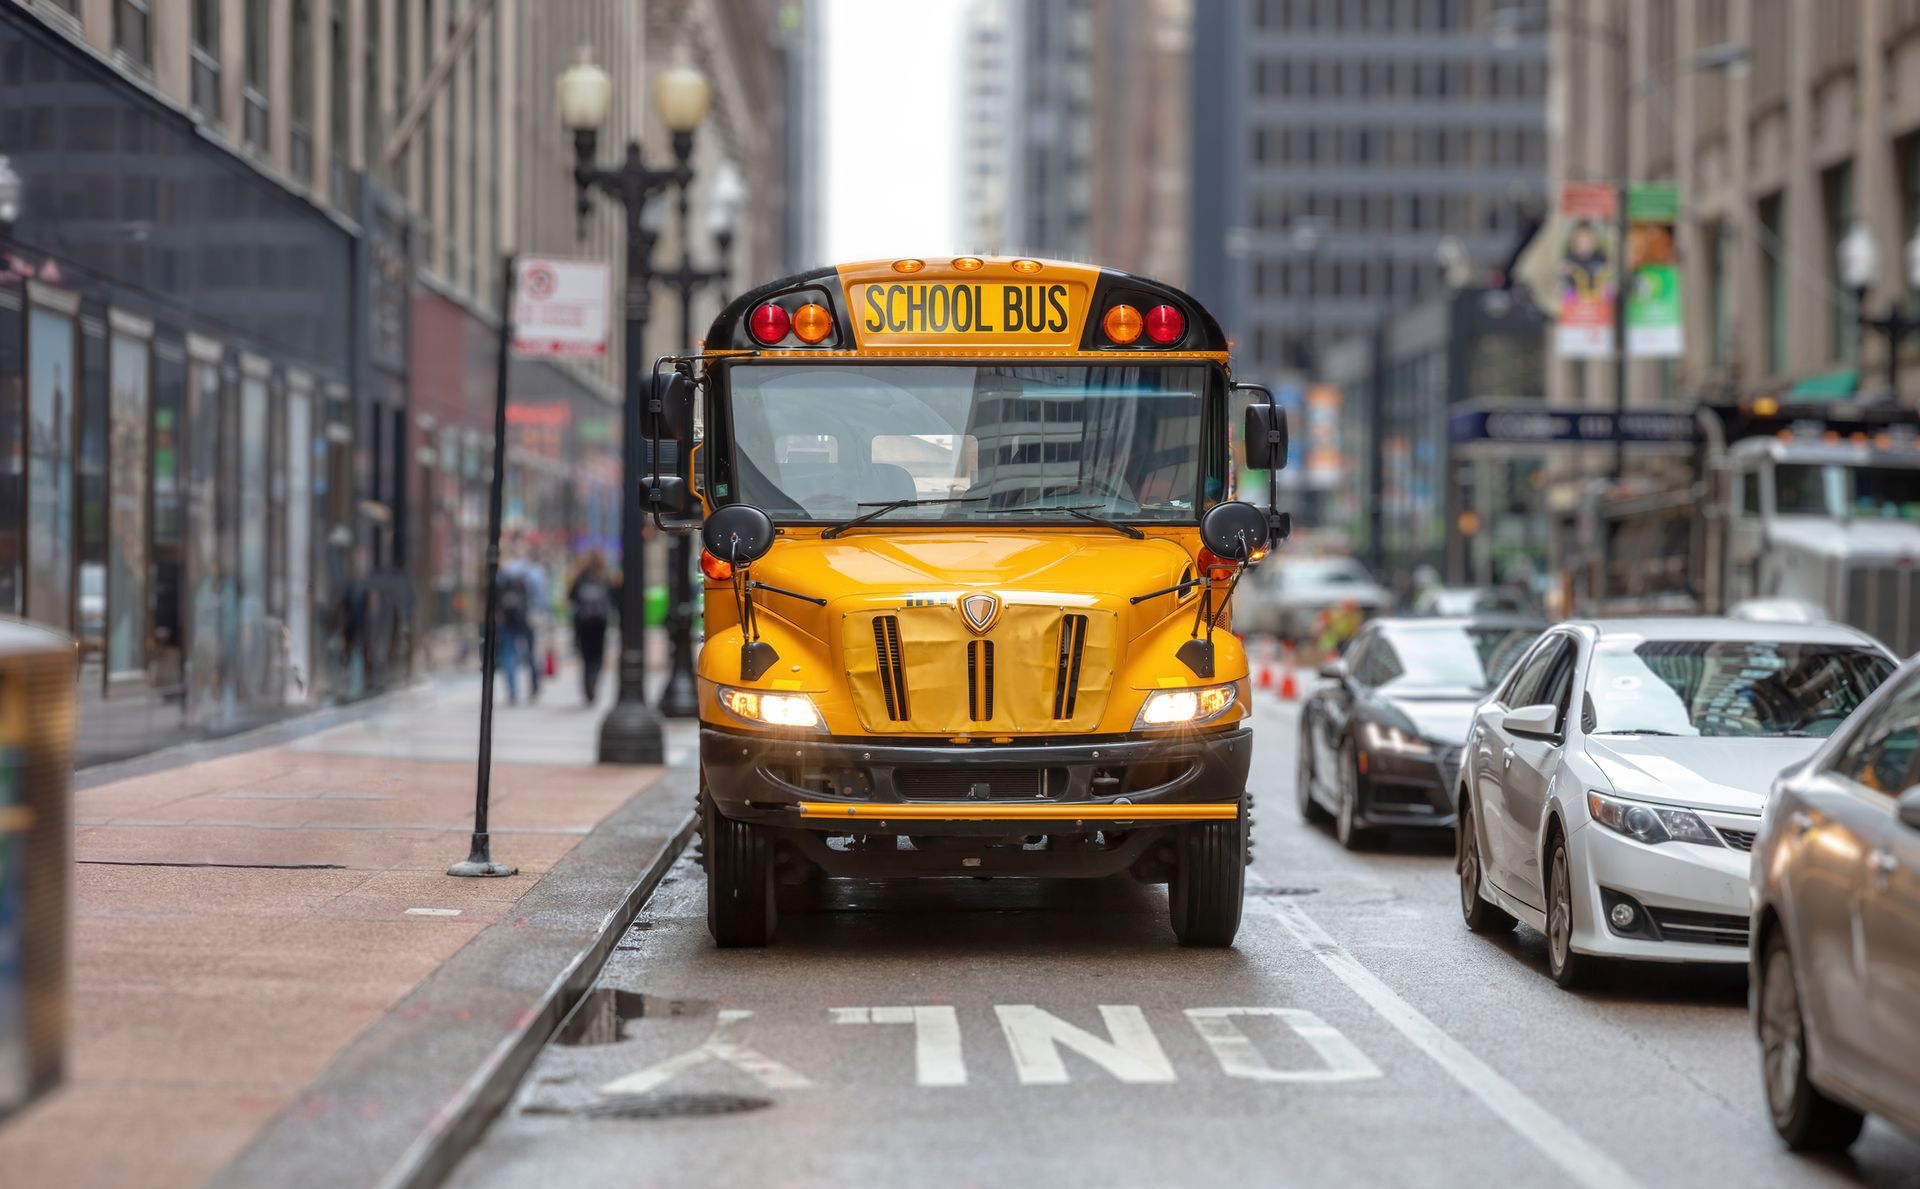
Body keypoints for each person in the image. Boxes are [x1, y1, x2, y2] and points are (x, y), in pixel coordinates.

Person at [494, 541, 549, 704]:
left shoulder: (504, 572)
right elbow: (541, 598)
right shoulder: (535, 572)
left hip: (507, 619)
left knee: (508, 653)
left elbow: (496, 595)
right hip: (528, 618)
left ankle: (512, 691)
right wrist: (543, 615)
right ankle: (534, 686)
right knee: (530, 652)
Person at [568, 551, 614, 706]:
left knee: (586, 656)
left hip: (583, 622)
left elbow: (572, 597)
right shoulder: (605, 577)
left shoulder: (581, 577)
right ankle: (594, 678)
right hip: (600, 623)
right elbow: (614, 599)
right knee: (598, 655)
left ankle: (588, 683)